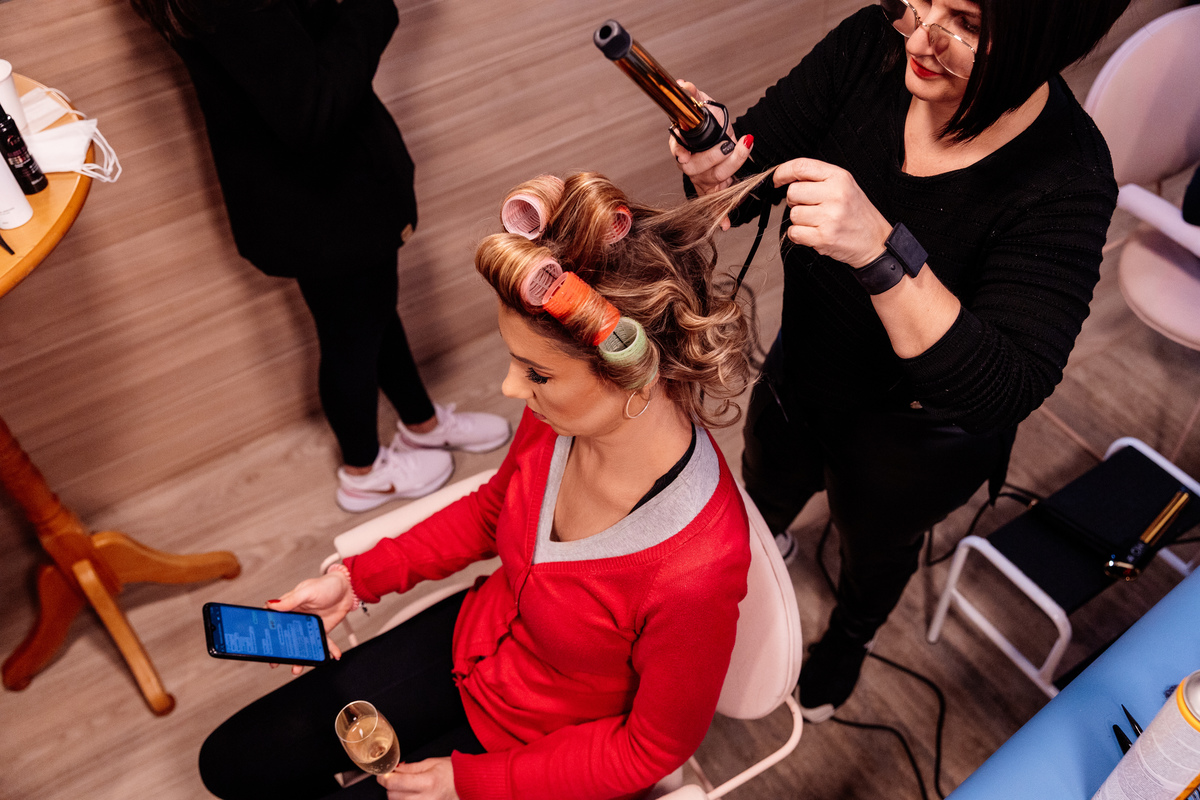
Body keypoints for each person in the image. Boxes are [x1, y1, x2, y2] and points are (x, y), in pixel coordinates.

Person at [198, 172, 762, 800]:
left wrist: (472, 782)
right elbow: (493, 510)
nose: (511, 390)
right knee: (230, 763)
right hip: (472, 642)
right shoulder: (559, 421)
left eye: (536, 374)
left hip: (541, 750)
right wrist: (356, 580)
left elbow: (650, 749)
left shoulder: (697, 569)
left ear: (631, 373)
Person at [670, 0, 1132, 722]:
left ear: (1046, 36)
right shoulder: (873, 45)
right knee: (765, 486)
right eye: (917, 2)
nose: (920, 36)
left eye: (967, 22)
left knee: (875, 550)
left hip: (915, 440)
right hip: (805, 367)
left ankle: (850, 636)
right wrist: (716, 168)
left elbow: (1003, 387)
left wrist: (882, 253)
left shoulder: (1067, 176)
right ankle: (766, 557)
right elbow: (749, 185)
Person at [129, 0, 510, 512]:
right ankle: (363, 470)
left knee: (368, 312)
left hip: (307, 196)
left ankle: (420, 423)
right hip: (321, 199)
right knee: (351, 334)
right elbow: (309, 109)